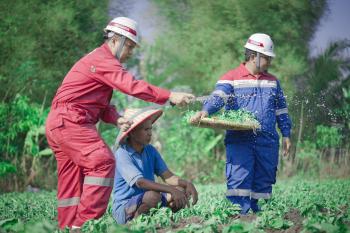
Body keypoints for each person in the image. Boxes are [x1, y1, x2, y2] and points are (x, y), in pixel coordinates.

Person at [45, 16, 194, 230]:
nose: (131, 53)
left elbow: (101, 106)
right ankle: (85, 226)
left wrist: (117, 119)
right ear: (116, 40)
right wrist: (169, 96)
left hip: (60, 123)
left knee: (72, 182)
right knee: (103, 161)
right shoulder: (104, 59)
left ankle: (68, 228)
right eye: (130, 47)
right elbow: (131, 85)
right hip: (71, 121)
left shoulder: (98, 62)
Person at [191, 33, 292, 214]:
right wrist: (205, 111)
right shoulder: (231, 78)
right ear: (254, 56)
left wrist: (286, 134)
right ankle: (238, 219)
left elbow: (281, 110)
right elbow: (218, 97)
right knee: (239, 181)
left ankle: (263, 220)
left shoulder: (273, 82)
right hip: (240, 140)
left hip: (268, 141)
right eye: (267, 58)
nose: (269, 62)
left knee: (264, 181)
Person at [112, 107, 198, 224]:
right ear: (132, 132)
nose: (150, 133)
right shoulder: (122, 153)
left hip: (147, 200)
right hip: (125, 209)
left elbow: (168, 176)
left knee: (181, 191)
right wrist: (171, 190)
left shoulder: (150, 150)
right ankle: (134, 226)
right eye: (145, 129)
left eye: (150, 129)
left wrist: (187, 184)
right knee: (154, 196)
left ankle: (159, 222)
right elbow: (140, 182)